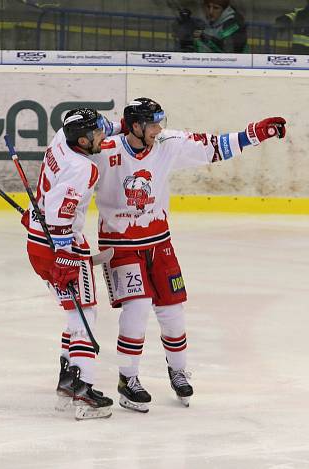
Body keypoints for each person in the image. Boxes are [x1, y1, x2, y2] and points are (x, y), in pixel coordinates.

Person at [90, 97, 286, 412]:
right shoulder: (105, 151)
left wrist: (255, 134)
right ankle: (128, 379)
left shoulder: (168, 143)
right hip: (119, 244)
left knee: (173, 309)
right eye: (153, 123)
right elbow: (68, 165)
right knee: (137, 308)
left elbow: (214, 147)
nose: (159, 128)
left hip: (158, 240)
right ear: (136, 125)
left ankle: (178, 370)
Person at [21, 108, 119, 420]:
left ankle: (67, 383)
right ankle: (84, 392)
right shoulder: (83, 169)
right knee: (84, 318)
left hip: (38, 243)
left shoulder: (61, 139)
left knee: (73, 313)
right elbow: (61, 214)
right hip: (60, 246)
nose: (104, 136)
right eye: (99, 133)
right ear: (83, 139)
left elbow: (48, 200)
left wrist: (34, 217)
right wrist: (65, 257)